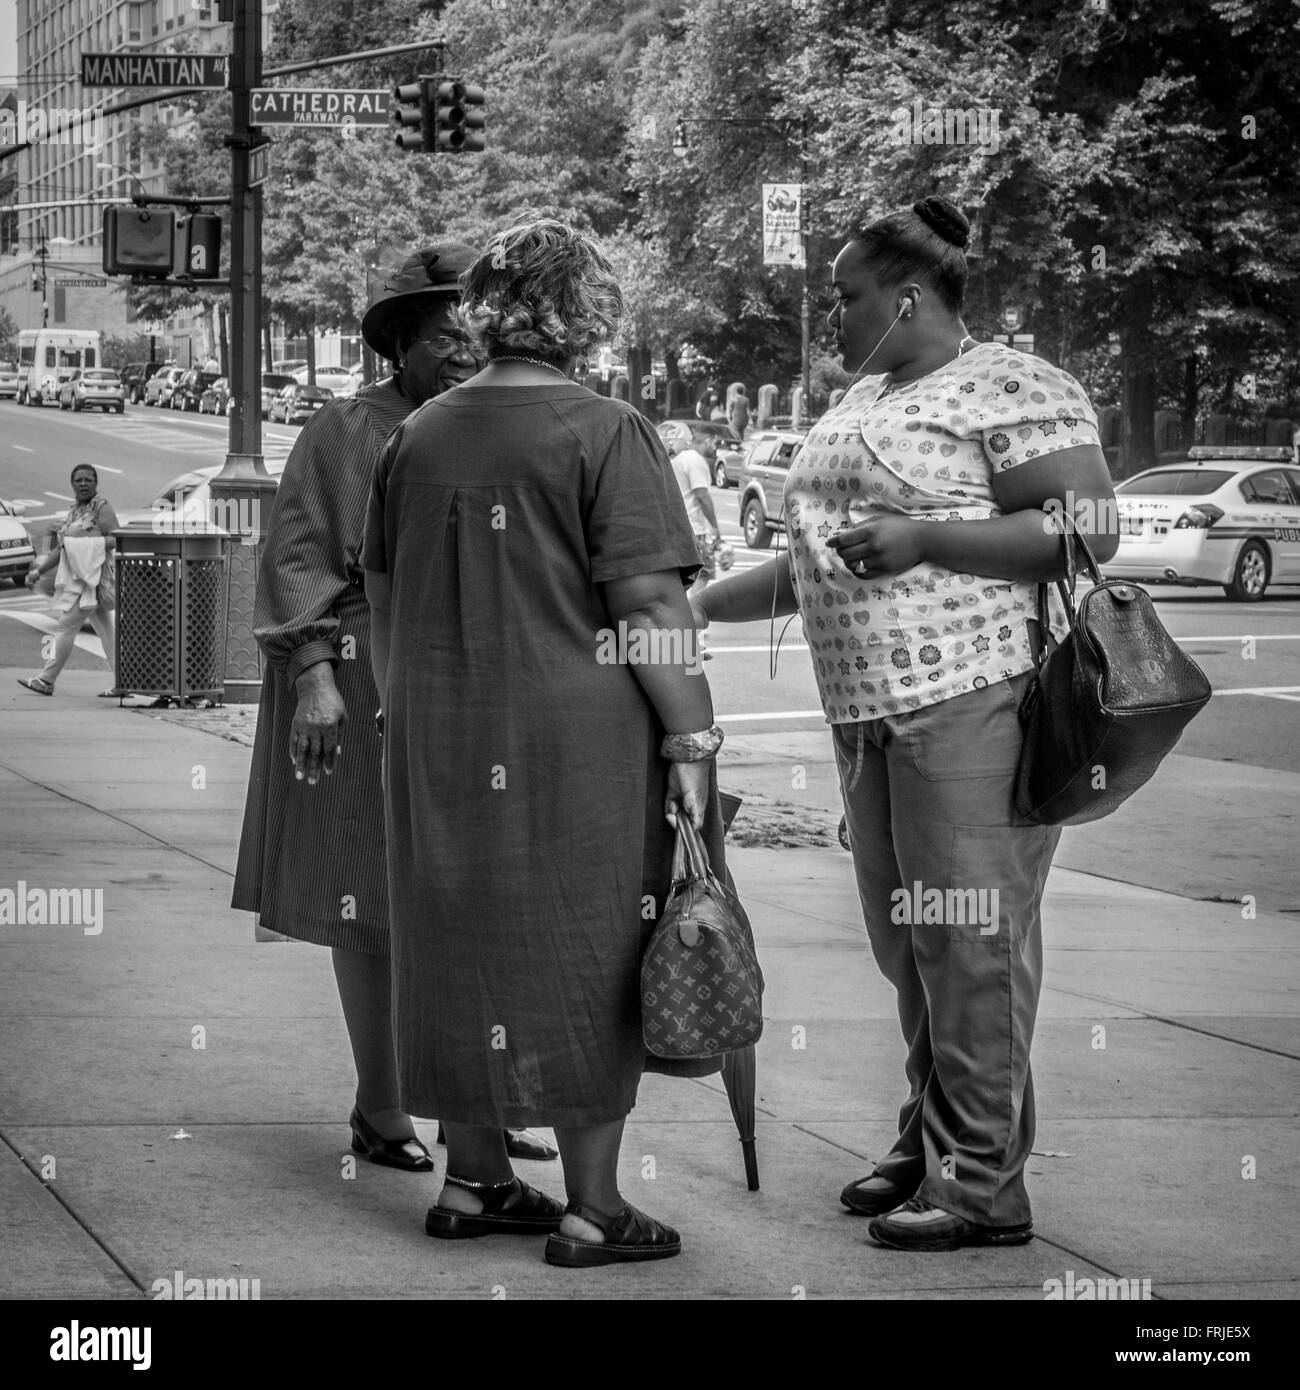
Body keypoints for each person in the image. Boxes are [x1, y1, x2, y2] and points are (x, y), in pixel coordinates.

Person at [693, 195, 1119, 1252]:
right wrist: (692, 609)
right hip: (867, 710)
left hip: (972, 699)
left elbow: (1086, 528)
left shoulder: (1010, 381)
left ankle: (980, 1181)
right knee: (909, 945)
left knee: (969, 941)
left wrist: (928, 535)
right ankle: (930, 1136)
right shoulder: (863, 398)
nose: (830, 318)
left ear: (909, 296)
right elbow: (819, 561)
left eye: (845, 298)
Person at [364, 217, 731, 1268]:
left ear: (486, 308)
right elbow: (651, 604)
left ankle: (475, 1179)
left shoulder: (418, 434)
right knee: (589, 944)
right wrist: (694, 739)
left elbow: (381, 600)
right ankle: (596, 1206)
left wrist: (411, 715)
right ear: (585, 308)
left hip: (437, 731)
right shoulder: (606, 429)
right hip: (579, 739)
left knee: (457, 938)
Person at [232, 242, 557, 1176]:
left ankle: (471, 1114)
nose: (463, 348)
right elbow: (298, 560)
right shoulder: (349, 428)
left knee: (469, 901)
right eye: (443, 333)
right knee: (369, 900)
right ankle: (381, 1107)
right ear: (400, 347)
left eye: (475, 329)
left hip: (478, 692)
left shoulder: (498, 419)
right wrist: (316, 677)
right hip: (361, 680)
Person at [18, 464, 119, 698]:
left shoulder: (101, 507)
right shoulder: (74, 511)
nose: (83, 483)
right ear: (72, 483)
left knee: (65, 627)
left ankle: (46, 680)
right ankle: (124, 682)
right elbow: (63, 549)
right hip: (81, 580)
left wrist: (84, 546)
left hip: (91, 580)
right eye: (78, 480)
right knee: (107, 634)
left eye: (88, 480)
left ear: (96, 483)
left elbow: (116, 538)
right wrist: (38, 572)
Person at [658, 420, 721, 595]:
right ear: (708, 440)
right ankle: (690, 614)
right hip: (695, 529)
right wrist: (715, 529)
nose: (716, 448)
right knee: (702, 574)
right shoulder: (694, 459)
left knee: (681, 579)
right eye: (715, 443)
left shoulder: (676, 460)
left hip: (676, 527)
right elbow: (702, 495)